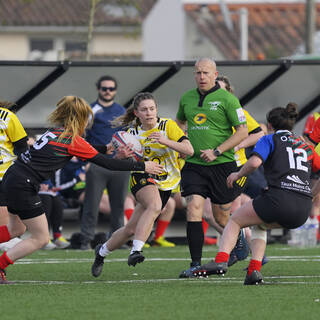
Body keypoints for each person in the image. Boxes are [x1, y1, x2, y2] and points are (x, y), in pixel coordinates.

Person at [0, 95, 163, 284]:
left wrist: (106, 148)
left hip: (12, 177)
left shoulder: (55, 132)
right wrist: (143, 166)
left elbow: (84, 150)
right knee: (41, 238)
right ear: (81, 118)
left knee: (16, 228)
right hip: (24, 185)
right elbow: (106, 164)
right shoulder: (71, 140)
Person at [193, 102, 320, 285]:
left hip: (279, 199)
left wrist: (237, 174)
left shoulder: (269, 139)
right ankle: (254, 271)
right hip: (301, 209)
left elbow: (254, 163)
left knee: (235, 220)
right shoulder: (305, 147)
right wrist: (312, 194)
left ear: (269, 126)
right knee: (259, 225)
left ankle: (221, 261)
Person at [90, 92, 194, 277]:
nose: (149, 113)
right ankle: (136, 251)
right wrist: (120, 157)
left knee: (130, 229)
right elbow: (113, 155)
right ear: (136, 113)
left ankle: (101, 251)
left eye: (152, 108)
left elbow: (189, 150)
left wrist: (164, 141)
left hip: (166, 182)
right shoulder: (130, 134)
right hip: (142, 177)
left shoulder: (168, 126)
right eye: (144, 110)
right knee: (155, 206)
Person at [175, 58, 248, 278]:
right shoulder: (186, 98)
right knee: (194, 208)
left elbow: (242, 131)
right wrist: (181, 142)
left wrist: (216, 151)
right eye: (197, 73)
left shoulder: (228, 99)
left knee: (220, 217)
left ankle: (240, 242)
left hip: (222, 165)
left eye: (205, 73)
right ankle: (195, 264)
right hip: (194, 165)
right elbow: (178, 124)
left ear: (215, 74)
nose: (201, 77)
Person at [79, 75, 130, 250]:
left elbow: (129, 137)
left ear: (115, 90)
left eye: (111, 88)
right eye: (104, 88)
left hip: (120, 165)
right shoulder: (90, 110)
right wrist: (85, 161)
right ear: (98, 89)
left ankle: (116, 240)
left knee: (119, 205)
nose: (107, 91)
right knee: (91, 204)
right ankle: (85, 240)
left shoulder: (122, 111)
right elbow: (82, 138)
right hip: (97, 164)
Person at [0, 101, 28, 252]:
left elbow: (22, 147)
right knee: (11, 229)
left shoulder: (6, 117)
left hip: (6, 177)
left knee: (18, 228)